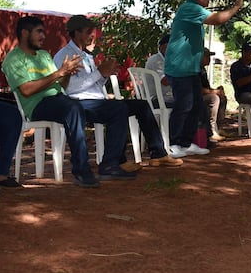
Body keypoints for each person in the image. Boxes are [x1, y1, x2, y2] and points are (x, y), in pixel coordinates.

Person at [2, 15, 136, 188]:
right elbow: (27, 90)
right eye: (39, 32)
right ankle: (81, 170)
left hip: (61, 100)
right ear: (25, 33)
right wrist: (59, 73)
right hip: (38, 105)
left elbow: (61, 86)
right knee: (73, 108)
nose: (43, 36)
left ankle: (110, 164)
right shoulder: (14, 59)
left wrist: (66, 74)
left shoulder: (43, 55)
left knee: (118, 108)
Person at [53, 15, 181, 167]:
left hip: (96, 101)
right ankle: (117, 162)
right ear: (76, 33)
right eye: (88, 31)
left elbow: (94, 83)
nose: (92, 35)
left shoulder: (86, 55)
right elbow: (70, 89)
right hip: (78, 104)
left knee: (142, 105)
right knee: (118, 109)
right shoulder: (65, 55)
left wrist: (105, 75)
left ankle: (158, 153)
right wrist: (98, 73)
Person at [164, 0, 244, 158]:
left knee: (197, 106)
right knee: (183, 106)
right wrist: (235, 7)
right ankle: (174, 143)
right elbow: (217, 19)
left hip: (189, 68)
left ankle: (185, 143)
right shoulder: (190, 8)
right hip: (179, 68)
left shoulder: (194, 10)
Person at [200, 48, 227, 143]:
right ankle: (211, 130)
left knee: (222, 97)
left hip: (203, 95)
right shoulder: (195, 70)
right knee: (214, 98)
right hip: (196, 97)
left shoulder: (203, 70)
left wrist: (217, 90)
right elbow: (199, 89)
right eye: (207, 56)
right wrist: (214, 92)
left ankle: (219, 127)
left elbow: (206, 87)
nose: (209, 59)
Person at [145, 34, 174, 108]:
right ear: (161, 47)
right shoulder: (156, 60)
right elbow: (165, 81)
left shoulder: (168, 61)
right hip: (157, 100)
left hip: (166, 98)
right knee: (188, 105)